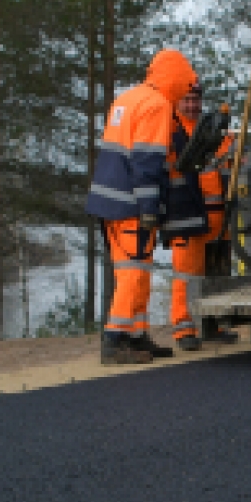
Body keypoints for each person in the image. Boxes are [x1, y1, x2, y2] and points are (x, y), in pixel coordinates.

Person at [85, 49, 199, 365]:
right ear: (176, 78)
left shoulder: (127, 99)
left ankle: (137, 335)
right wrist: (150, 207)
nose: (187, 89)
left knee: (133, 272)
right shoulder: (157, 106)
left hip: (108, 201)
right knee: (135, 273)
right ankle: (114, 339)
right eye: (186, 82)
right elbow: (146, 162)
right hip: (131, 204)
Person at [168, 84, 241, 350]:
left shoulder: (218, 132)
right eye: (186, 100)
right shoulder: (172, 131)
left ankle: (214, 324)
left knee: (217, 272)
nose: (191, 105)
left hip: (220, 213)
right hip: (188, 214)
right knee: (186, 273)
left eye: (195, 99)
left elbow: (234, 164)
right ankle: (183, 327)